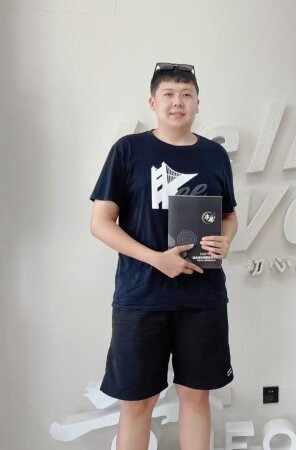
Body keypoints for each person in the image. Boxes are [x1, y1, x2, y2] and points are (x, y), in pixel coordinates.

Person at [89, 62, 238, 450]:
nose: (178, 102)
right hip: (141, 297)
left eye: (187, 95)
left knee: (197, 396)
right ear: (153, 102)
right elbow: (100, 223)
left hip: (202, 298)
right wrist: (157, 259)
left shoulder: (214, 154)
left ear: (198, 103)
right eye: (169, 94)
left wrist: (226, 240)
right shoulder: (128, 150)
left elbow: (229, 216)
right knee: (138, 402)